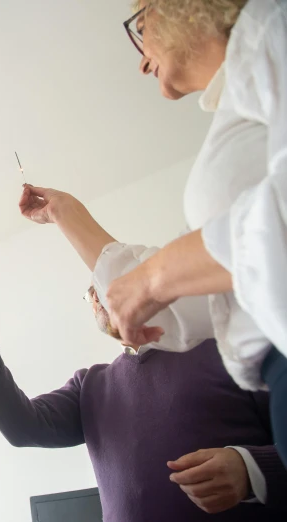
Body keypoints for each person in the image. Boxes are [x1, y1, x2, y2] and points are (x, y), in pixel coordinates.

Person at [0, 189, 287, 520]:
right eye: (89, 295)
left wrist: (250, 468)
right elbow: (22, 428)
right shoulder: (91, 386)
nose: (96, 299)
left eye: (101, 286)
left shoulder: (225, 346)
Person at [99, 0, 287, 462]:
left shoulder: (273, 21)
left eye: (140, 26)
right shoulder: (237, 107)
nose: (142, 60)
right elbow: (205, 302)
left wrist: (155, 277)